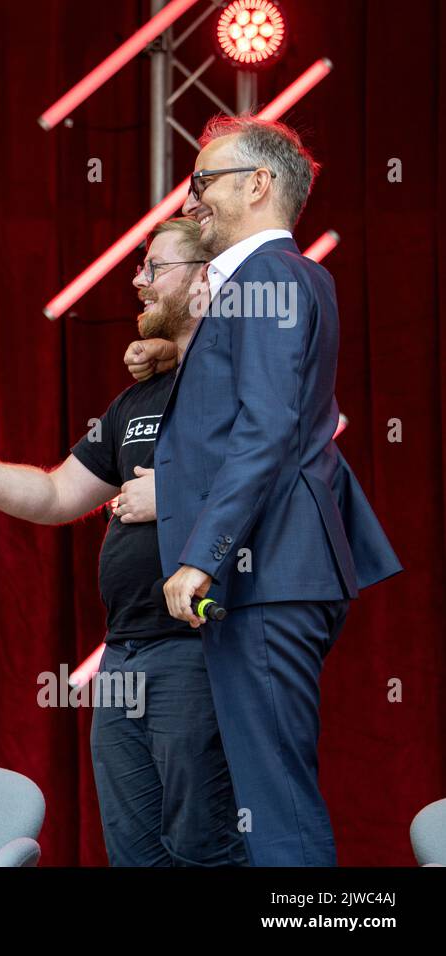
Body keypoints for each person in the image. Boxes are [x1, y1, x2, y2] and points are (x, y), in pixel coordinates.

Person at [0, 217, 246, 865]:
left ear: (206, 280)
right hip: (123, 658)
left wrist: (175, 494)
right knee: (135, 855)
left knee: (205, 849)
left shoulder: (245, 382)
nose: (138, 280)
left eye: (155, 268)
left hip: (201, 650)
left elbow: (275, 482)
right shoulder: (135, 400)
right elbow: (56, 494)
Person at [153, 113, 401, 865]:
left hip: (266, 571)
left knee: (275, 798)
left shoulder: (267, 278)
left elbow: (265, 429)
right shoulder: (276, 280)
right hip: (270, 571)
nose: (190, 198)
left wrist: (204, 554)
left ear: (257, 184)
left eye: (203, 180)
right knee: (265, 791)